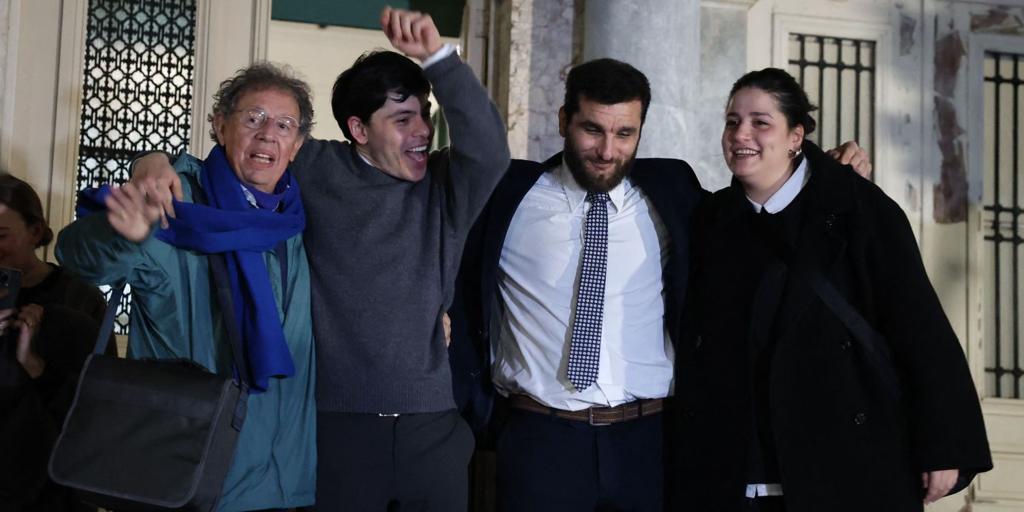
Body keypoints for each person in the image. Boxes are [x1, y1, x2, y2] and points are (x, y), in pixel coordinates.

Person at [131, 8, 511, 510]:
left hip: (431, 429)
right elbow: (241, 156)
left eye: (424, 114)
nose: (422, 131)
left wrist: (440, 59)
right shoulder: (313, 166)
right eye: (402, 120)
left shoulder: (444, 186)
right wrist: (153, 161)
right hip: (333, 429)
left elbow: (490, 150)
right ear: (359, 129)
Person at [450, 59, 871, 511]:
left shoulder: (672, 190)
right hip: (540, 439)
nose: (607, 150)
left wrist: (820, 172)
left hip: (648, 441)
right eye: (592, 129)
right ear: (563, 120)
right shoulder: (509, 195)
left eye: (625, 133)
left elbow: (759, 224)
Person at [670, 67, 992, 511]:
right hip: (732, 473)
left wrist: (945, 446)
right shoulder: (711, 219)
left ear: (795, 136)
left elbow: (918, 326)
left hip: (843, 462)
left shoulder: (860, 209)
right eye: (732, 121)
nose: (741, 134)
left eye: (761, 122)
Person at [56, 62, 317, 512]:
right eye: (253, 117)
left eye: (283, 124)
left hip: (283, 481)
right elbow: (74, 256)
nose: (267, 134)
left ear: (296, 146)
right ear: (219, 126)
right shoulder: (173, 201)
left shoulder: (298, 219)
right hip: (187, 476)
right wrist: (123, 234)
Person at [0, 174, 107, 512]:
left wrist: (35, 366)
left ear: (35, 231)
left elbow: (98, 407)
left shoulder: (79, 298)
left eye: (1, 236)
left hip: (56, 489)